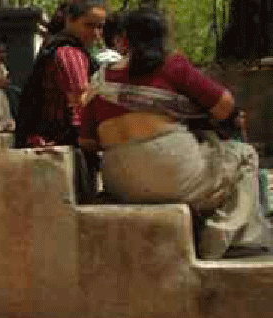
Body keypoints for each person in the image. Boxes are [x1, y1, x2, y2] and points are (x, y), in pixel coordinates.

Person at [80, 7, 272, 259]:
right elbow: (226, 107)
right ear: (162, 38)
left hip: (120, 183)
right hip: (173, 172)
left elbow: (87, 141)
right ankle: (223, 238)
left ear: (124, 40)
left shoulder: (100, 81)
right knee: (243, 155)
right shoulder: (172, 66)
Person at [14, 0, 106, 202]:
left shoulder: (58, 48)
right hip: (59, 139)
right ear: (70, 20)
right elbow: (80, 104)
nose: (96, 33)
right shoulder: (70, 53)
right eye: (89, 25)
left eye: (100, 27)